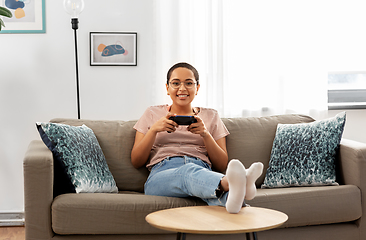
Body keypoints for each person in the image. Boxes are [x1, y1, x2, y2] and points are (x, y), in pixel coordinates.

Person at [131, 62, 263, 213]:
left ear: (197, 88)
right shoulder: (152, 113)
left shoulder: (211, 115)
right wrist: (154, 130)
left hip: (202, 173)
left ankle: (238, 195)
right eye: (175, 83)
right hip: (161, 175)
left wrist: (205, 134)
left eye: (189, 83)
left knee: (232, 201)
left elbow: (221, 164)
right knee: (188, 171)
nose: (182, 88)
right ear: (167, 88)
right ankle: (236, 182)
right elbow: (136, 161)